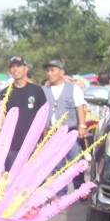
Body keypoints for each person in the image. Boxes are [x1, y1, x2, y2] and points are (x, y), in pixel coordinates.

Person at [0, 56, 47, 171]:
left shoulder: (37, 90)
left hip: (33, 145)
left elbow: (43, 117)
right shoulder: (4, 93)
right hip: (12, 146)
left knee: (34, 181)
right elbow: (0, 119)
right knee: (12, 181)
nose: (15, 69)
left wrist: (45, 140)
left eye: (18, 66)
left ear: (25, 69)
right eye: (12, 67)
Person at [42, 59, 87, 193]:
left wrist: (82, 126)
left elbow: (79, 107)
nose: (49, 73)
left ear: (62, 72)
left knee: (76, 160)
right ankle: (60, 192)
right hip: (52, 132)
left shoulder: (73, 88)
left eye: (52, 70)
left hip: (70, 131)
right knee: (57, 163)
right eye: (48, 71)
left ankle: (79, 187)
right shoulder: (43, 90)